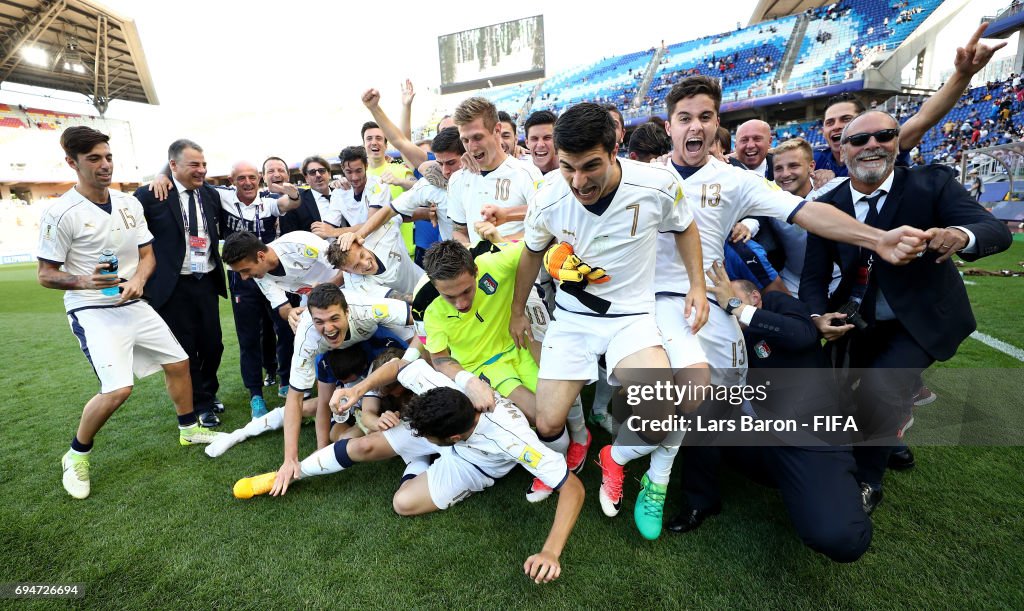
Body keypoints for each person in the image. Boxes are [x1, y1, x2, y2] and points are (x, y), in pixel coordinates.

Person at [511, 102, 708, 539]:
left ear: (616, 147)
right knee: (546, 423)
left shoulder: (656, 185)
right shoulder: (547, 195)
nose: (579, 182)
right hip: (574, 319)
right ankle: (570, 449)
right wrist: (517, 310)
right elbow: (530, 251)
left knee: (660, 416)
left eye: (590, 166)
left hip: (632, 318)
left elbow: (685, 226)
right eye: (567, 168)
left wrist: (697, 283)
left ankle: (613, 458)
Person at [799, 110, 1013, 513]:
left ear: (898, 141)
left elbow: (994, 231)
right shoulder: (829, 205)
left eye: (883, 135)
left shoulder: (932, 184)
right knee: (845, 393)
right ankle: (889, 435)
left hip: (917, 319)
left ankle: (868, 480)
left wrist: (958, 235)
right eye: (859, 140)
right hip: (856, 320)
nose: (872, 145)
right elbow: (813, 277)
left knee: (882, 386)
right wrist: (815, 316)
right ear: (842, 150)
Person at [234, 352, 584, 584]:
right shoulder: (442, 391)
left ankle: (418, 461)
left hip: (476, 467)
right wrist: (359, 391)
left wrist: (550, 551)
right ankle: (292, 474)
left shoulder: (513, 440)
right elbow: (400, 364)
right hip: (448, 435)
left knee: (403, 503)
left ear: (454, 436)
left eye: (430, 439)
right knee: (364, 444)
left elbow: (572, 487)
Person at [39, 127, 223, 499]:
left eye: (107, 157)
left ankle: (188, 429)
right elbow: (46, 274)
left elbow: (147, 255)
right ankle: (76, 454)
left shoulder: (127, 203)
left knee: (179, 361)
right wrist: (83, 281)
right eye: (94, 158)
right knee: (118, 389)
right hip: (92, 309)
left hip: (132, 302)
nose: (104, 165)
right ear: (72, 163)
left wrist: (139, 280)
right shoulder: (60, 212)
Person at [668, 263, 872, 564]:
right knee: (699, 409)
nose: (721, 311)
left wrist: (735, 308)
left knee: (840, 537)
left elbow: (803, 334)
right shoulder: (715, 336)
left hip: (805, 438)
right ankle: (701, 500)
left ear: (755, 299)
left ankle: (847, 489)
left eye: (727, 301)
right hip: (750, 437)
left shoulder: (776, 304)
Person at [272, 284, 416, 492]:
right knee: (321, 402)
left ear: (347, 311)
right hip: (340, 359)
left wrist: (411, 358)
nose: (328, 328)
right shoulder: (307, 338)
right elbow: (294, 398)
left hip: (375, 342)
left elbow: (424, 318)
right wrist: (291, 459)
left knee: (404, 374)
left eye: (334, 318)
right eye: (319, 321)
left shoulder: (368, 307)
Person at [815, 24, 1006, 178]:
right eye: (830, 122)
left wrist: (962, 75)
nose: (837, 126)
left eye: (846, 119)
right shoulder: (814, 161)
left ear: (864, 122)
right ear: (823, 131)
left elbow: (923, 118)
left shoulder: (885, 145)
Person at [135, 139, 227, 427]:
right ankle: (201, 404)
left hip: (206, 280)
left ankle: (208, 394)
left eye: (203, 165)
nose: (201, 170)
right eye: (194, 165)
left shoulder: (211, 195)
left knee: (213, 345)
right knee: (184, 349)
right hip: (172, 287)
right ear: (173, 165)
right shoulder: (151, 195)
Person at [448, 97, 542, 244]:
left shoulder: (526, 173)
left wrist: (501, 243)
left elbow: (544, 225)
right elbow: (459, 230)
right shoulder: (458, 179)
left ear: (497, 130)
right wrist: (468, 253)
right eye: (465, 140)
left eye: (477, 137)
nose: (472, 147)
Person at [317, 146, 391, 238]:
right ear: (342, 169)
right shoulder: (338, 192)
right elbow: (327, 227)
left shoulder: (379, 184)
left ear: (366, 166)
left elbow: (372, 224)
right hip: (362, 246)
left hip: (387, 246)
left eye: (358, 171)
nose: (354, 177)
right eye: (349, 172)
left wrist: (335, 232)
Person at [279, 155, 333, 235]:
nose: (318, 175)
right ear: (306, 178)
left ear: (329, 174)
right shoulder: (295, 204)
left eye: (321, 170)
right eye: (312, 172)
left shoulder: (343, 193)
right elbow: (290, 237)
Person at [524, 110, 558, 174]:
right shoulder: (521, 171)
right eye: (534, 139)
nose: (540, 145)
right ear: (527, 143)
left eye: (547, 138)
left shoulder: (572, 173)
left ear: (558, 140)